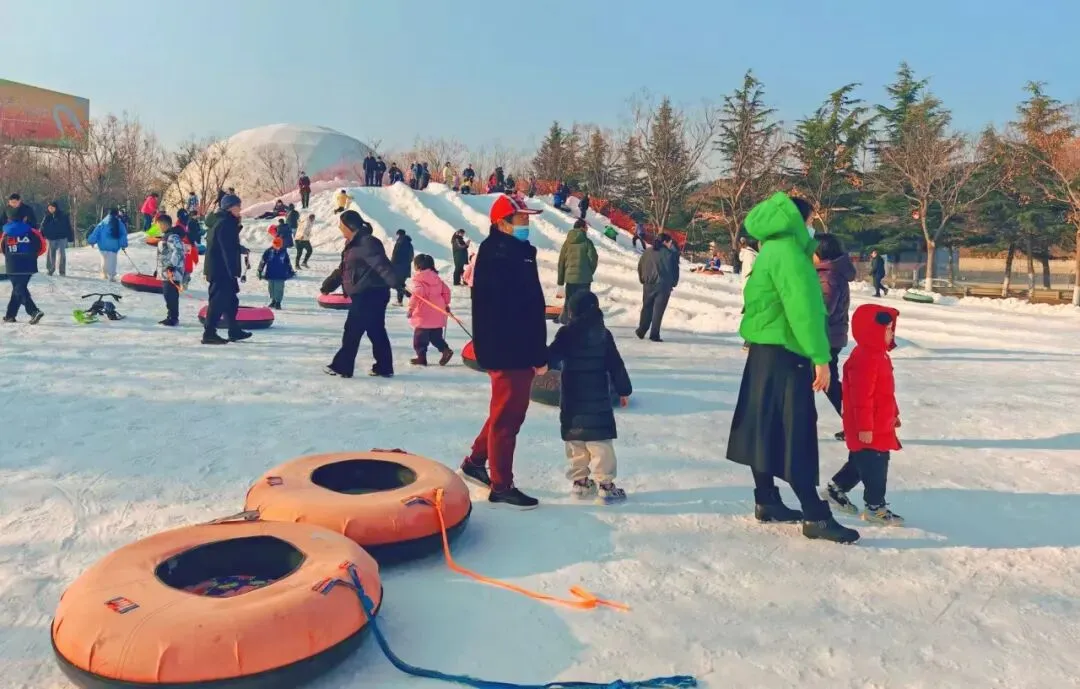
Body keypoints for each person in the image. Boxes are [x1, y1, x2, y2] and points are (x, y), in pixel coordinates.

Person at [725, 192, 858, 544]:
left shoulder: (769, 250)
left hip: (764, 352)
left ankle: (766, 499)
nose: (812, 227)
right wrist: (820, 357)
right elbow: (804, 311)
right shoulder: (790, 255)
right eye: (811, 221)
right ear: (797, 221)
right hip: (787, 354)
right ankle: (815, 515)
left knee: (763, 426)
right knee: (794, 432)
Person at [459, 194, 547, 510]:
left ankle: (475, 462)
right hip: (510, 349)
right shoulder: (500, 255)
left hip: (514, 347)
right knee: (508, 419)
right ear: (503, 223)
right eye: (522, 219)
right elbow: (515, 312)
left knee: (503, 411)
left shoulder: (515, 251)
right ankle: (501, 485)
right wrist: (536, 353)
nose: (527, 223)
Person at [546, 290, 632, 504]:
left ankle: (581, 483)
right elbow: (616, 364)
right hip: (597, 399)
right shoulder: (603, 334)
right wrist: (624, 390)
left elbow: (551, 358)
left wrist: (539, 362)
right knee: (600, 443)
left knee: (575, 440)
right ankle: (606, 486)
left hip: (573, 398)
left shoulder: (566, 334)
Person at [824, 304, 904, 526]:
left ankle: (836, 489)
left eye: (892, 329)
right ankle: (875, 508)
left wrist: (894, 414)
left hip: (880, 421)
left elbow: (885, 392)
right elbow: (861, 398)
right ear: (871, 331)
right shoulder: (865, 358)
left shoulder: (878, 355)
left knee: (861, 461)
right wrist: (865, 427)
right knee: (876, 465)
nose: (891, 333)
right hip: (868, 425)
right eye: (887, 329)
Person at [324, 210, 403, 378]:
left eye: (341, 225)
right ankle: (384, 367)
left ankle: (342, 366)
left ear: (349, 226)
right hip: (367, 293)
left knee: (352, 330)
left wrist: (396, 282)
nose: (339, 228)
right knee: (376, 330)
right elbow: (344, 269)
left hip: (370, 293)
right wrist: (329, 284)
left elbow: (381, 264)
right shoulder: (353, 244)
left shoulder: (367, 242)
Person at [814, 233, 857, 430]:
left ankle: (856, 422)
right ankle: (855, 422)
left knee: (828, 383)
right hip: (832, 336)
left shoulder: (828, 276)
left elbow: (822, 310)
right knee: (826, 382)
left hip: (828, 338)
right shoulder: (829, 273)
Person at [201, 194, 251, 345]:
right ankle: (209, 333)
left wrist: (240, 249)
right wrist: (232, 271)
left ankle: (233, 330)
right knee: (218, 301)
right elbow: (226, 249)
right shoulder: (225, 223)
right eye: (238, 206)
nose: (240, 209)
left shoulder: (223, 221)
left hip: (220, 268)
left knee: (231, 301)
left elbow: (226, 244)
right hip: (221, 270)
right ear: (229, 207)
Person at [408, 253, 454, 366]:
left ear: (418, 266)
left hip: (424, 315)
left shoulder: (420, 279)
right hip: (438, 311)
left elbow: (417, 294)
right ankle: (445, 350)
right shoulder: (437, 278)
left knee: (419, 340)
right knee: (436, 337)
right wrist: (446, 304)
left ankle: (421, 358)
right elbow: (446, 291)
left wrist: (411, 308)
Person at [1, 212, 45, 324]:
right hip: (28, 264)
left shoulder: (6, 233)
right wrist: (33, 256)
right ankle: (10, 315)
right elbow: (42, 246)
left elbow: (2, 248)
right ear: (24, 218)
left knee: (19, 289)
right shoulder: (32, 232)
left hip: (13, 264)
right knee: (19, 288)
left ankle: (34, 311)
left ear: (9, 219)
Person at [635, 234, 677, 342]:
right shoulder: (670, 254)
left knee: (647, 307)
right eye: (670, 242)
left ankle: (641, 330)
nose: (670, 244)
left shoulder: (647, 252)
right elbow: (675, 271)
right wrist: (673, 283)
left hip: (648, 284)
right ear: (665, 242)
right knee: (658, 311)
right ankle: (654, 334)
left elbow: (640, 266)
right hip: (663, 286)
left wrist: (642, 279)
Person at [557, 219, 598, 324]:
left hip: (570, 279)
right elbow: (593, 259)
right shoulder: (587, 242)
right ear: (582, 228)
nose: (587, 230)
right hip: (584, 279)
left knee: (569, 301)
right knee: (584, 302)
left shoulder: (567, 243)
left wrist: (560, 281)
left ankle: (566, 321)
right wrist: (588, 272)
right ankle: (582, 323)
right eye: (586, 227)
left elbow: (561, 262)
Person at [157, 214, 186, 327]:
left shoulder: (172, 237)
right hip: (166, 271)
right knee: (167, 294)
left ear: (164, 224)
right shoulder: (166, 236)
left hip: (172, 272)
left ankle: (173, 318)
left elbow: (178, 251)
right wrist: (158, 269)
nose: (158, 227)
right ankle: (170, 316)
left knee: (171, 295)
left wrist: (171, 265)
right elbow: (164, 254)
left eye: (159, 224)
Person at [87, 208, 129, 281]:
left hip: (103, 246)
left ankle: (104, 274)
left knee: (104, 260)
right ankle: (111, 276)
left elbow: (96, 233)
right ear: (117, 214)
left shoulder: (102, 223)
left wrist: (91, 241)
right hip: (113, 246)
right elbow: (123, 234)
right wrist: (123, 244)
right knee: (112, 261)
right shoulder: (119, 223)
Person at [258, 236, 296, 309]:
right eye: (276, 245)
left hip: (280, 274)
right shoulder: (268, 251)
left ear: (281, 245)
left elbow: (288, 263)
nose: (277, 247)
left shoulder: (284, 252)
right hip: (270, 273)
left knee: (279, 289)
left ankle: (278, 302)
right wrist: (260, 270)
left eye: (279, 246)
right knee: (271, 288)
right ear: (273, 244)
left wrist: (291, 271)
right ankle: (273, 301)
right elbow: (263, 261)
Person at [40, 201, 74, 276]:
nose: (50, 209)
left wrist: (70, 237)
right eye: (49, 208)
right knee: (50, 254)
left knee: (62, 254)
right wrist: (41, 235)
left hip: (62, 237)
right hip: (51, 238)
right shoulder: (47, 216)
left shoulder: (63, 215)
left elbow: (68, 226)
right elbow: (43, 226)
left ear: (56, 208)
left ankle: (62, 271)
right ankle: (50, 270)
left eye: (52, 208)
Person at [390, 229, 414, 306]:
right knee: (401, 284)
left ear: (398, 234)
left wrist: (391, 265)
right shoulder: (409, 244)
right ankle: (400, 301)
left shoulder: (399, 243)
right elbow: (411, 257)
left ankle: (410, 296)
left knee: (397, 284)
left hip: (398, 268)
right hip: (406, 268)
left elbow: (395, 255)